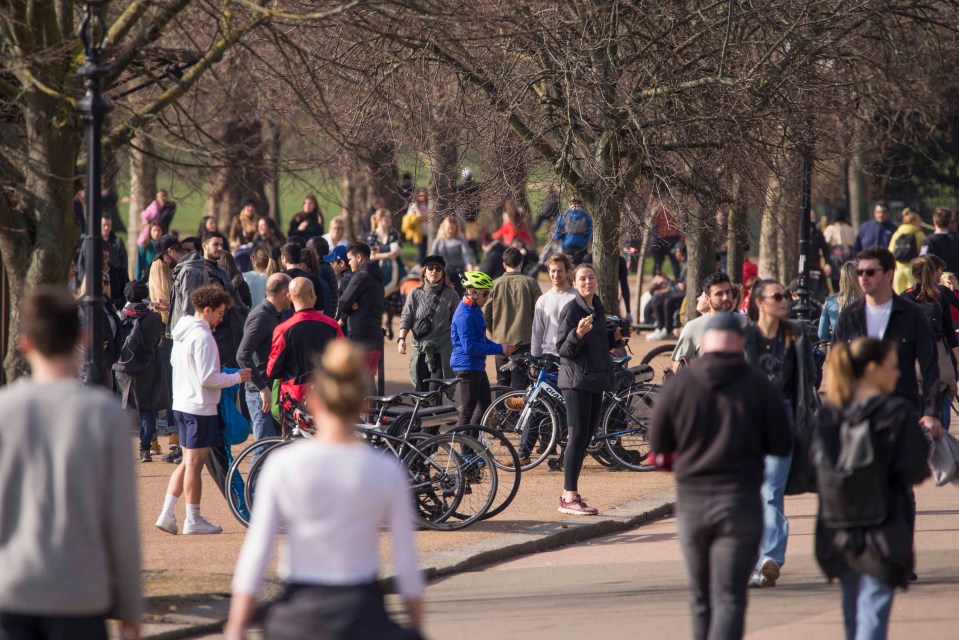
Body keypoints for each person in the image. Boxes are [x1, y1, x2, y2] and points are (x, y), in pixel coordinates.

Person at [225, 341, 425, 640]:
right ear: (363, 404)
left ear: (315, 402)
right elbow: (406, 560)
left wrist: (236, 626)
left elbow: (257, 552)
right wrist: (417, 627)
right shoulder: (384, 470)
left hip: (298, 614)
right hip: (363, 611)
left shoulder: (283, 465)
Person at [0, 287, 143, 640]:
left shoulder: (5, 412)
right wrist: (130, 605)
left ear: (25, 343)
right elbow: (121, 519)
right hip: (80, 591)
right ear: (81, 339)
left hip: (12, 587)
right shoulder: (106, 415)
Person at [649, 312, 792, 640]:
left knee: (701, 596)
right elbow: (782, 443)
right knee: (730, 595)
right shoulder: (758, 384)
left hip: (693, 500)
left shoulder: (679, 386)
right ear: (741, 343)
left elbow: (658, 449)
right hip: (740, 499)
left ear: (703, 343)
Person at [813, 338, 930, 640]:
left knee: (853, 613)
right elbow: (915, 469)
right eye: (893, 367)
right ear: (873, 369)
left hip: (839, 527)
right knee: (874, 612)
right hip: (885, 526)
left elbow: (811, 469)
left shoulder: (829, 413)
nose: (898, 374)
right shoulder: (897, 412)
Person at [155, 285, 252, 536]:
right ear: (207, 310)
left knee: (188, 464)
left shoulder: (182, 333)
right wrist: (237, 378)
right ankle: (192, 518)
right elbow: (209, 378)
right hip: (199, 407)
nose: (221, 318)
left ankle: (169, 513)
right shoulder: (204, 337)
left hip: (183, 404)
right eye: (219, 313)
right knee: (193, 466)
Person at [744, 279, 818, 588]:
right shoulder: (743, 335)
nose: (784, 300)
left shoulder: (796, 333)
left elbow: (809, 378)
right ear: (760, 302)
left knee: (771, 490)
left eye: (785, 296)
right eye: (777, 296)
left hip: (783, 418)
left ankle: (769, 558)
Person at [832, 247, 942, 434]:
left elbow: (930, 366)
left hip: (903, 412)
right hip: (858, 416)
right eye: (860, 272)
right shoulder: (849, 317)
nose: (863, 277)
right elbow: (836, 365)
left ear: (889, 274)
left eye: (870, 272)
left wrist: (931, 413)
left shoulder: (912, 315)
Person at [554, 263, 622, 516]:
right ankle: (568, 496)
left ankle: (571, 494)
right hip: (576, 383)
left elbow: (600, 346)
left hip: (595, 381)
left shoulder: (598, 309)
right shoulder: (571, 310)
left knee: (586, 437)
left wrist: (614, 338)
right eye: (582, 279)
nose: (588, 282)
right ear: (574, 283)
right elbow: (562, 349)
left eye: (591, 277)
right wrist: (577, 334)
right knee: (576, 437)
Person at [901, 254, 959, 431]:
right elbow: (950, 334)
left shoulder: (906, 297)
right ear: (934, 272)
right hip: (939, 355)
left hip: (914, 360)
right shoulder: (940, 297)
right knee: (942, 398)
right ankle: (941, 437)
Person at [451, 271, 515, 427]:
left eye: (489, 293)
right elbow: (470, 347)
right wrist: (499, 348)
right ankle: (464, 448)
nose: (487, 298)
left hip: (476, 365)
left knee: (485, 405)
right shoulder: (464, 315)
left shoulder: (475, 309)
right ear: (472, 292)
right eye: (485, 294)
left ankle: (471, 442)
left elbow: (481, 339)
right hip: (467, 366)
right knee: (467, 410)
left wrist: (500, 346)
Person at [237, 273, 292, 452]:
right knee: (263, 450)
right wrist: (262, 388)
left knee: (272, 449)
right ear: (284, 293)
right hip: (259, 393)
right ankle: (254, 482)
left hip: (268, 390)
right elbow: (242, 354)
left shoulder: (274, 314)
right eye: (290, 292)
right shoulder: (262, 316)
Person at [267, 277, 344, 405]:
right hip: (327, 393)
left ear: (289, 297)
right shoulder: (332, 325)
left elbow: (272, 370)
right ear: (312, 294)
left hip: (294, 399)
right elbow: (343, 360)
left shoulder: (282, 330)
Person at [114, 280, 167, 463]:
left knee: (123, 408)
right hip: (147, 367)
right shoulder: (153, 318)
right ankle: (145, 449)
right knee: (146, 409)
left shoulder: (120, 315)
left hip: (123, 367)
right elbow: (155, 342)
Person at [398, 255, 460, 390]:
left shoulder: (451, 294)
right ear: (424, 271)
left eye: (438, 268)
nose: (434, 271)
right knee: (421, 391)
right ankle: (423, 411)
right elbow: (406, 316)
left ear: (442, 273)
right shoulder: (415, 293)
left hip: (442, 350)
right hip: (420, 349)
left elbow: (457, 323)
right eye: (430, 268)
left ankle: (435, 410)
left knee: (434, 391)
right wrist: (401, 338)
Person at [485, 247, 542, 389]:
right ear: (521, 263)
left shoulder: (494, 284)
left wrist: (493, 330)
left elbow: (486, 313)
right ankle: (518, 412)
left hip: (500, 340)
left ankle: (500, 411)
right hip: (524, 339)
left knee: (502, 381)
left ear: (504, 264)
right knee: (520, 382)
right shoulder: (531, 283)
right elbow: (539, 312)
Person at [671, 272, 742, 371]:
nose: (725, 297)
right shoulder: (692, 327)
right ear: (708, 299)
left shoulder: (746, 323)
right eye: (719, 294)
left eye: (728, 292)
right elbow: (677, 363)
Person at [337, 241, 386, 380]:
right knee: (369, 381)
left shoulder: (361, 276)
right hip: (375, 337)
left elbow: (343, 302)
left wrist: (350, 302)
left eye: (350, 259)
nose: (349, 263)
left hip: (360, 337)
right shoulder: (377, 276)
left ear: (359, 257)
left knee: (359, 384)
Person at [149, 254, 180, 461]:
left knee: (152, 394)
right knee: (171, 392)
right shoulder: (175, 292)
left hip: (154, 347)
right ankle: (174, 437)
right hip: (170, 344)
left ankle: (151, 442)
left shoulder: (149, 293)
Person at [368, 209, 406, 340]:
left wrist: (382, 253)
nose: (389, 221)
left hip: (393, 270)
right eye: (386, 219)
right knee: (378, 299)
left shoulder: (393, 233)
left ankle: (389, 322)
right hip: (377, 271)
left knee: (392, 300)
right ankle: (378, 328)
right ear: (379, 220)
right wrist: (388, 253)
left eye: (390, 218)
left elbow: (398, 250)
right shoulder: (372, 235)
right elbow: (371, 255)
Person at [531, 252, 577, 358]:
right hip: (548, 357)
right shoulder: (542, 300)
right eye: (553, 271)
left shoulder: (577, 298)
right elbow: (537, 332)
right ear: (548, 271)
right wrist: (534, 359)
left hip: (572, 357)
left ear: (568, 272)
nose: (556, 275)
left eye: (560, 271)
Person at [819, 261, 864, 341]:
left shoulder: (830, 301)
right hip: (860, 349)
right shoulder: (866, 302)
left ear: (841, 279)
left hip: (838, 350)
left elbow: (821, 333)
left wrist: (834, 339)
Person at [280, 242, 329, 314]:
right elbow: (320, 310)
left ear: (285, 259)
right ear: (300, 258)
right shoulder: (312, 279)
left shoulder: (278, 278)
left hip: (283, 322)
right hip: (308, 321)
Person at [432, 216, 474, 296]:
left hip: (458, 273)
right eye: (449, 228)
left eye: (453, 228)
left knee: (459, 295)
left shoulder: (460, 240)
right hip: (443, 274)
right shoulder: (438, 241)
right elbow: (433, 257)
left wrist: (470, 269)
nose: (451, 230)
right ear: (443, 228)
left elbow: (466, 255)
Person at [888, 209, 925, 293]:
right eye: (919, 220)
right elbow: (924, 253)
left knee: (898, 296)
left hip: (898, 271)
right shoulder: (919, 234)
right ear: (914, 221)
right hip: (913, 271)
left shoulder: (897, 233)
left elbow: (890, 251)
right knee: (913, 295)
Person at [552, 196, 593, 262]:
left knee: (568, 267)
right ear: (581, 204)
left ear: (569, 204)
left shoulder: (563, 216)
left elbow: (557, 235)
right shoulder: (586, 216)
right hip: (581, 247)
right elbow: (590, 235)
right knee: (579, 268)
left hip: (567, 247)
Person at [920, 206, 959, 274]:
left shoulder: (928, 241)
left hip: (937, 280)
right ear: (950, 222)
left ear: (934, 220)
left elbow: (922, 261)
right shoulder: (957, 239)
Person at [649, 208, 683, 278]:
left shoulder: (673, 208)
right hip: (662, 238)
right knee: (658, 263)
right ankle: (656, 280)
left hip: (671, 238)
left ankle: (678, 280)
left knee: (674, 262)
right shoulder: (659, 209)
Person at [402, 189, 429, 262]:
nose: (423, 196)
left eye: (424, 194)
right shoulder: (413, 206)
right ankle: (420, 266)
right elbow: (410, 219)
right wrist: (418, 216)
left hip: (427, 233)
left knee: (426, 252)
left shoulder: (426, 205)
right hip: (418, 233)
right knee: (421, 253)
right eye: (420, 195)